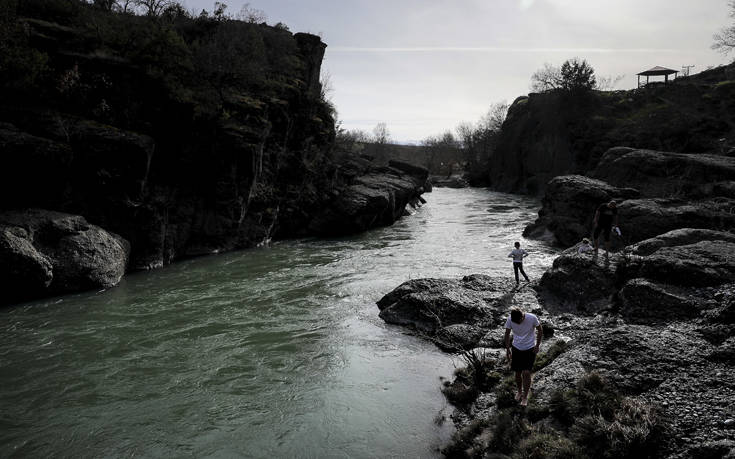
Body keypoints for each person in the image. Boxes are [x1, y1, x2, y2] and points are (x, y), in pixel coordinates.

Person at [504, 308, 543, 407]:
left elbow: (540, 330)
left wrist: (537, 345)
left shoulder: (532, 318)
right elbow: (507, 334)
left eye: (519, 321)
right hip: (516, 348)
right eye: (515, 322)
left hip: (530, 348)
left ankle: (525, 396)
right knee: (517, 373)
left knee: (526, 372)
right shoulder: (510, 319)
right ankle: (519, 391)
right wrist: (508, 349)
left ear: (522, 316)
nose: (517, 324)